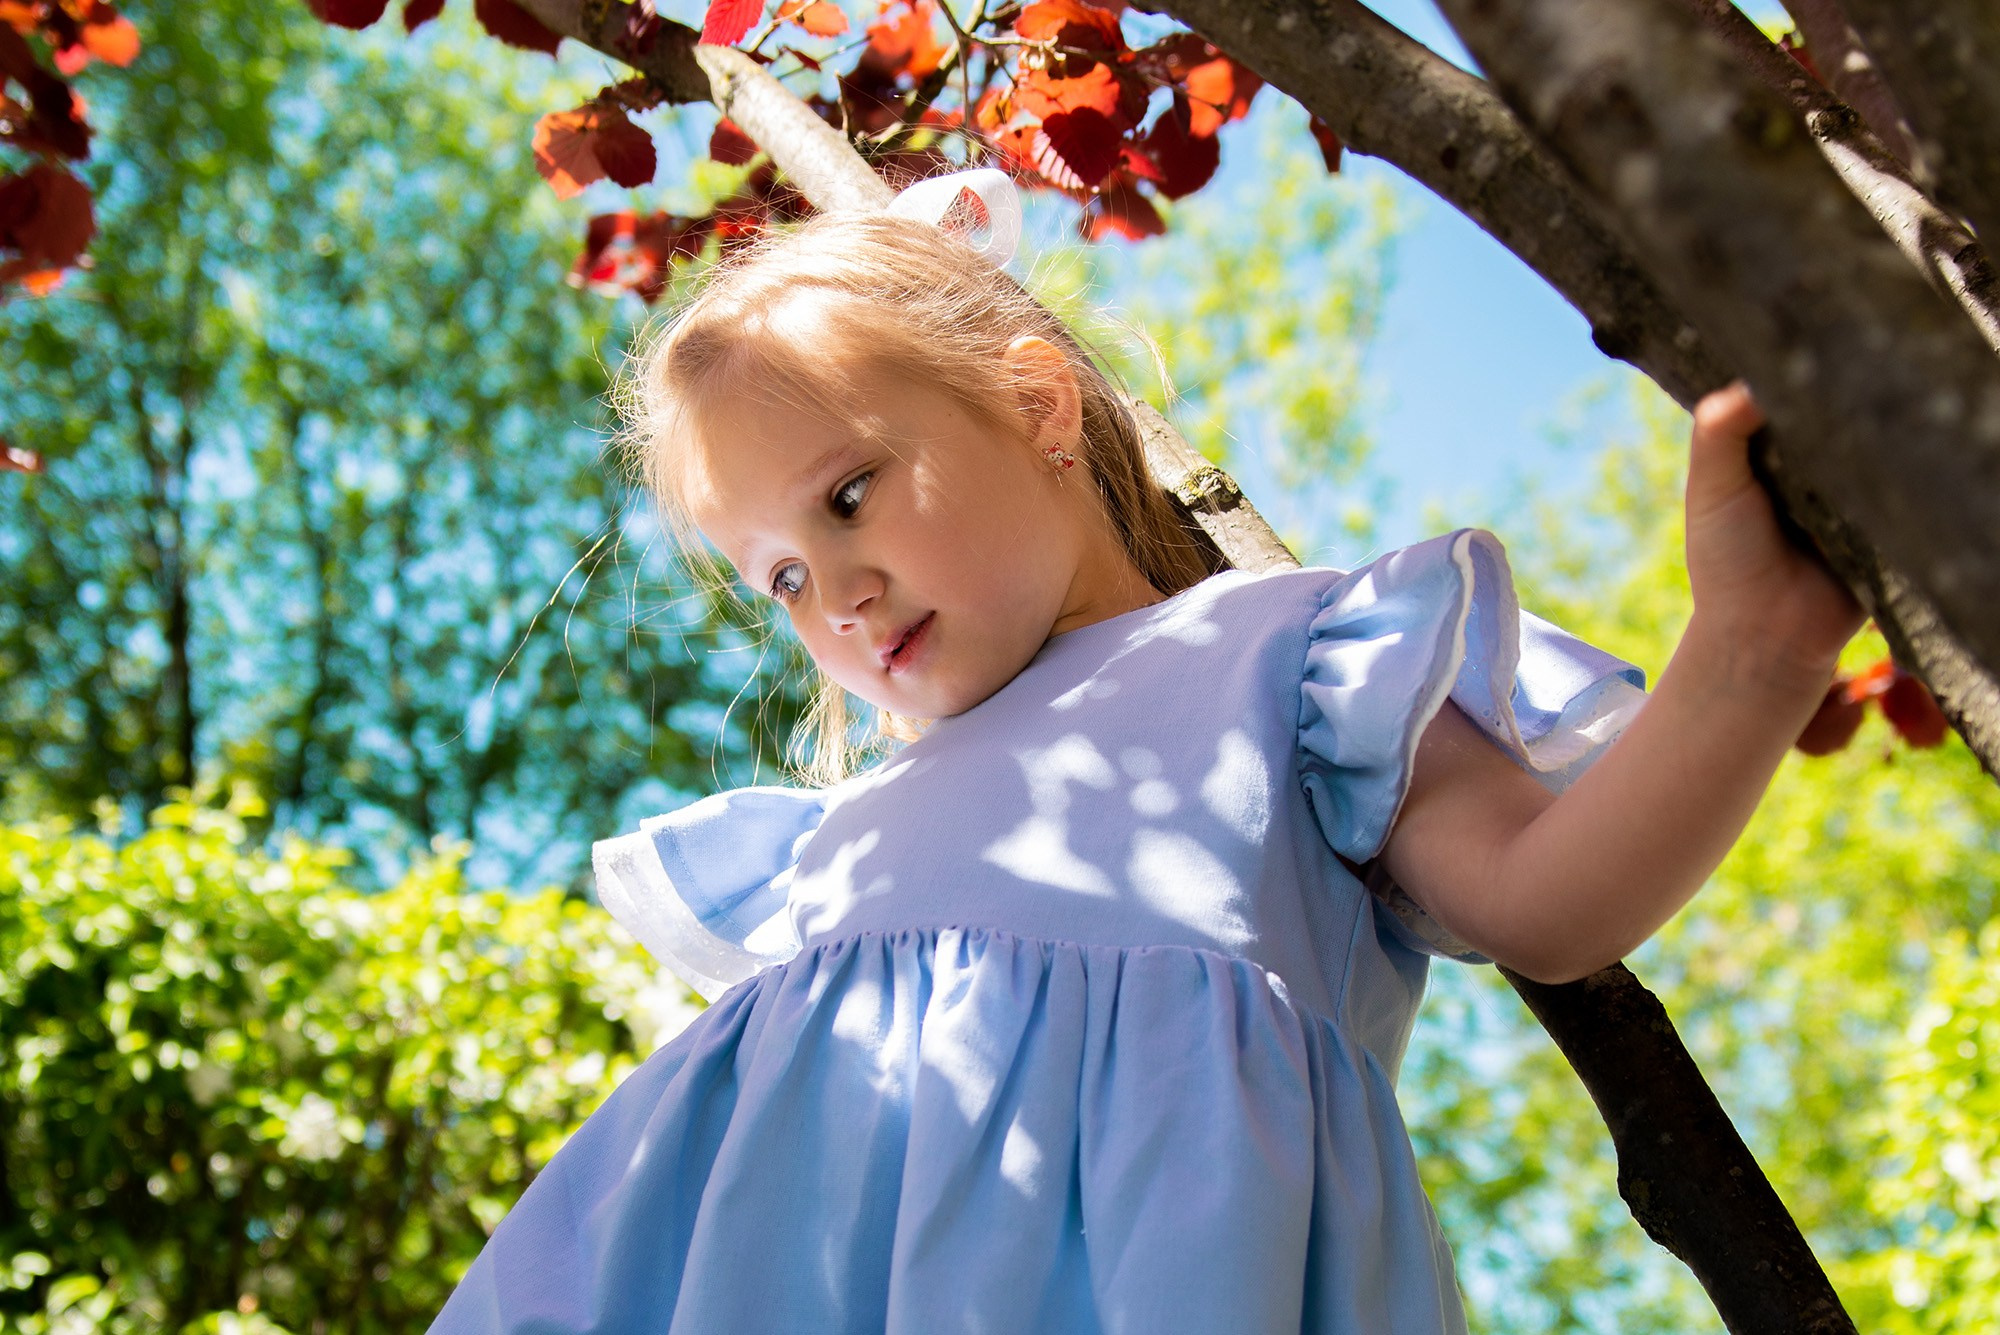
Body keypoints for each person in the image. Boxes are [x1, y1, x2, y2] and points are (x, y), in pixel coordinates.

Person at [429, 171, 1863, 1334]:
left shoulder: (1291, 654)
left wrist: (1753, 652)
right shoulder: (831, 839)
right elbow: (695, 1195)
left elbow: (1547, 904)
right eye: (781, 579)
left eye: (851, 496)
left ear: (1040, 406)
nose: (836, 595)